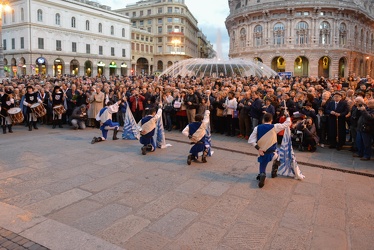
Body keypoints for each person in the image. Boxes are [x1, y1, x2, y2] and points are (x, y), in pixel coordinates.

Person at [248, 112, 291, 188]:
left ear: (263, 119)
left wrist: (259, 149)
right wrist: (287, 116)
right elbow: (287, 123)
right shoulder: (275, 126)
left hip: (263, 153)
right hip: (273, 154)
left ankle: (262, 174)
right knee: (278, 154)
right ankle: (274, 170)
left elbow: (251, 140)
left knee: (262, 166)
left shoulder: (257, 128)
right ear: (271, 120)